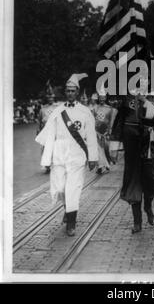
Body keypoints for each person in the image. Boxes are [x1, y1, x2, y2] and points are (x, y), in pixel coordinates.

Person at [35, 73, 98, 236]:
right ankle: (67, 208)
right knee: (60, 188)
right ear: (65, 92)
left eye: (73, 91)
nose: (70, 93)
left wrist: (93, 158)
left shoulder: (85, 112)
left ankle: (71, 222)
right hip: (59, 155)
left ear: (77, 92)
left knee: (73, 189)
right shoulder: (58, 111)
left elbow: (90, 135)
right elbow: (50, 136)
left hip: (77, 155)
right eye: (68, 91)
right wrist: (46, 159)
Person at [111, 77, 154, 234]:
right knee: (133, 182)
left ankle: (148, 207)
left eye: (144, 83)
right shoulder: (127, 100)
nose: (141, 86)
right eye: (138, 83)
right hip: (132, 148)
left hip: (149, 148)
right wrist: (114, 147)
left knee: (149, 181)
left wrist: (145, 101)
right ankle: (137, 221)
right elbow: (119, 122)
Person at [92, 87, 116, 174]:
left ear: (105, 98)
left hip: (105, 132)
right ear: (98, 98)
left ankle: (106, 164)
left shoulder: (110, 109)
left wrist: (109, 131)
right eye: (100, 98)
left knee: (106, 149)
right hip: (96, 132)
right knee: (98, 149)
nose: (102, 99)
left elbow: (111, 121)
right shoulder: (95, 108)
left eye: (103, 98)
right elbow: (92, 120)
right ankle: (100, 166)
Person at [37, 83, 58, 173]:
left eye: (52, 97)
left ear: (53, 98)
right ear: (47, 98)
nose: (50, 99)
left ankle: (55, 164)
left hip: (55, 131)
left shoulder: (57, 108)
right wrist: (38, 130)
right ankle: (47, 165)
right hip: (45, 132)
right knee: (45, 148)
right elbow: (39, 121)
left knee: (55, 149)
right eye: (49, 97)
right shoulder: (43, 109)